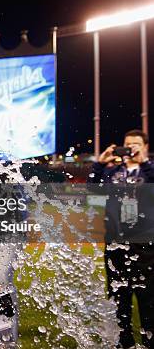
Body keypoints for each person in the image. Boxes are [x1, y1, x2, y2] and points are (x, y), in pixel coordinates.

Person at [88, 129, 154, 348]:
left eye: (136, 144)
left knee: (147, 297)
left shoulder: (150, 170)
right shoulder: (112, 172)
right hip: (116, 243)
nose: (132, 148)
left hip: (145, 245)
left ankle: (148, 340)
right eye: (128, 144)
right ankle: (123, 340)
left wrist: (144, 163)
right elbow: (92, 191)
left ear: (145, 146)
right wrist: (99, 163)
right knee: (119, 296)